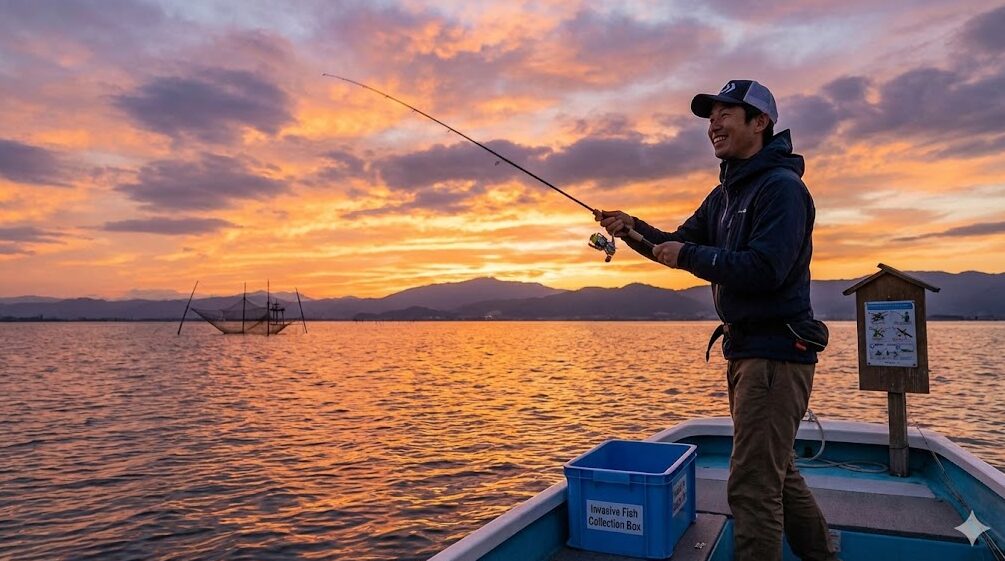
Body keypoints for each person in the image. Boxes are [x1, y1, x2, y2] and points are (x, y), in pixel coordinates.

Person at [596, 80, 837, 561]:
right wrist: (632, 230)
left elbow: (766, 268)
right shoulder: (724, 194)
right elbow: (675, 245)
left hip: (776, 354)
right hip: (747, 352)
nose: (714, 124)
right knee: (778, 474)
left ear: (760, 123)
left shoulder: (782, 190)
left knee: (752, 487)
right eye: (711, 117)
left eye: (727, 114)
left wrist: (688, 253)